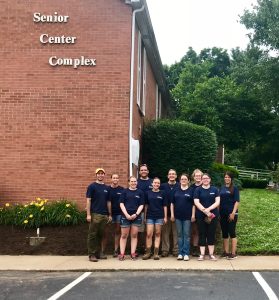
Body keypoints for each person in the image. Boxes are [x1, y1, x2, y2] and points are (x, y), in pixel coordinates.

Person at [86, 168, 112, 262]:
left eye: (102, 173)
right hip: (95, 214)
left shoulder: (107, 188)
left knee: (102, 235)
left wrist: (110, 214)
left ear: (104, 175)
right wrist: (88, 214)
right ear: (96, 175)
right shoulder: (92, 186)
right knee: (92, 235)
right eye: (98, 173)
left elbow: (108, 202)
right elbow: (88, 200)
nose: (100, 175)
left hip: (104, 215)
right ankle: (91, 254)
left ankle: (99, 253)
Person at [194, 173, 220, 261]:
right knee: (202, 233)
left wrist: (208, 209)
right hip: (201, 215)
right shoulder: (198, 190)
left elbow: (217, 202)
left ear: (210, 179)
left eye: (207, 178)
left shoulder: (215, 189)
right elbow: (196, 202)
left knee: (211, 233)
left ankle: (211, 254)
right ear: (201, 179)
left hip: (212, 215)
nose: (205, 179)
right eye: (204, 178)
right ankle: (202, 254)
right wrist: (205, 211)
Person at [118, 176, 144, 260]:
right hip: (125, 216)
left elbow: (141, 205)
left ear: (137, 182)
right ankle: (122, 254)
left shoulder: (140, 192)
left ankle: (133, 253)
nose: (133, 183)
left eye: (135, 181)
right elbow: (121, 204)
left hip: (136, 217)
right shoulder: (124, 192)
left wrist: (136, 214)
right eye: (132, 181)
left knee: (134, 235)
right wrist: (126, 215)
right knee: (124, 235)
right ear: (129, 182)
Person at [170, 174, 195, 261]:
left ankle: (186, 253)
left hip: (188, 217)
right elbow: (172, 203)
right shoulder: (175, 190)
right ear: (180, 180)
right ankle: (180, 253)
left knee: (187, 235)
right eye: (182, 179)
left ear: (188, 181)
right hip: (177, 216)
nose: (183, 180)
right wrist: (172, 215)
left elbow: (193, 204)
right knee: (179, 235)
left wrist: (193, 215)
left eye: (185, 179)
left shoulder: (191, 190)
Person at [142, 177, 167, 260]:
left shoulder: (163, 193)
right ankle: (148, 252)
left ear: (159, 184)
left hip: (159, 216)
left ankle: (156, 253)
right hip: (150, 216)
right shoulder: (147, 193)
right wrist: (145, 217)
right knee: (149, 234)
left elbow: (165, 206)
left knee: (157, 233)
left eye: (158, 183)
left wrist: (165, 217)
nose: (156, 184)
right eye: (155, 183)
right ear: (152, 184)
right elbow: (146, 206)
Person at [219, 171, 240, 260]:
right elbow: (219, 201)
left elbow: (237, 201)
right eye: (225, 177)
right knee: (224, 233)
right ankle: (226, 252)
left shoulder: (235, 188)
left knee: (232, 232)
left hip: (232, 214)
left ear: (231, 179)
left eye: (228, 177)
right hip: (222, 213)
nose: (227, 178)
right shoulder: (222, 188)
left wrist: (233, 213)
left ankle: (233, 253)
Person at [160, 169, 179, 257]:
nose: (171, 175)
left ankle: (176, 250)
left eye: (173, 174)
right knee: (165, 233)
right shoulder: (162, 186)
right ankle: (165, 250)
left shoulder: (179, 185)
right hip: (165, 214)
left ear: (176, 176)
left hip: (177, 214)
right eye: (170, 174)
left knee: (176, 233)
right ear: (168, 176)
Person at [137, 164, 153, 254]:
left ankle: (149, 249)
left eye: (145, 170)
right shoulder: (136, 182)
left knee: (149, 232)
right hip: (140, 211)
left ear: (148, 171)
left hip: (152, 211)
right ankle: (140, 248)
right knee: (139, 232)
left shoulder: (152, 182)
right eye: (142, 170)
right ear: (139, 172)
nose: (143, 171)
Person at [108, 173, 124, 257]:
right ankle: (103, 250)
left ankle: (116, 250)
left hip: (119, 214)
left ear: (118, 179)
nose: (115, 179)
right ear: (111, 179)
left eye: (117, 178)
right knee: (105, 232)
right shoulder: (107, 189)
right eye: (114, 178)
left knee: (117, 231)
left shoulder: (122, 189)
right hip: (108, 214)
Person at [190, 169, 203, 257]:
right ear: (194, 177)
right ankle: (195, 249)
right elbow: (191, 202)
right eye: (196, 176)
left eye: (199, 176)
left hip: (204, 212)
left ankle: (203, 249)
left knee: (202, 231)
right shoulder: (191, 188)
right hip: (194, 212)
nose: (198, 177)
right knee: (195, 231)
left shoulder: (206, 186)